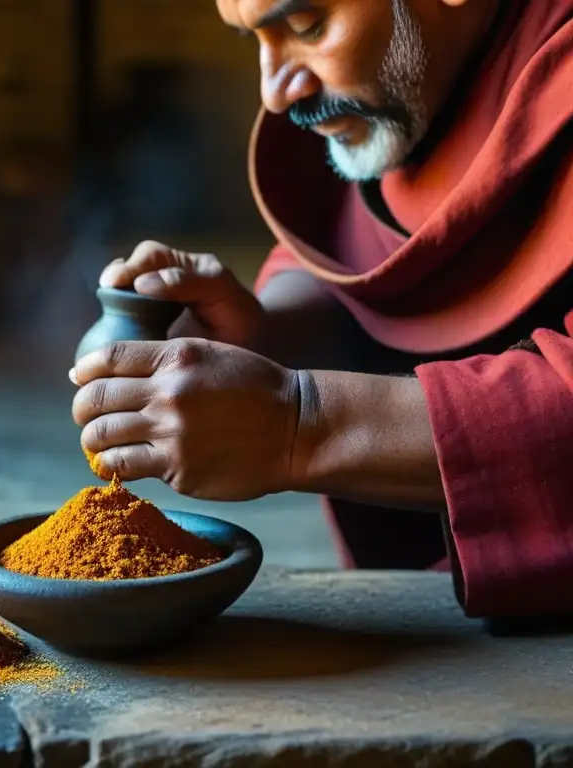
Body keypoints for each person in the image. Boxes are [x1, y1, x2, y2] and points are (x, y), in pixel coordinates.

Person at [69, 0, 573, 619]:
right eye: (252, 39)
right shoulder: (415, 82)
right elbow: (365, 256)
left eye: (307, 27)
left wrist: (300, 422)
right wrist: (262, 330)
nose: (275, 93)